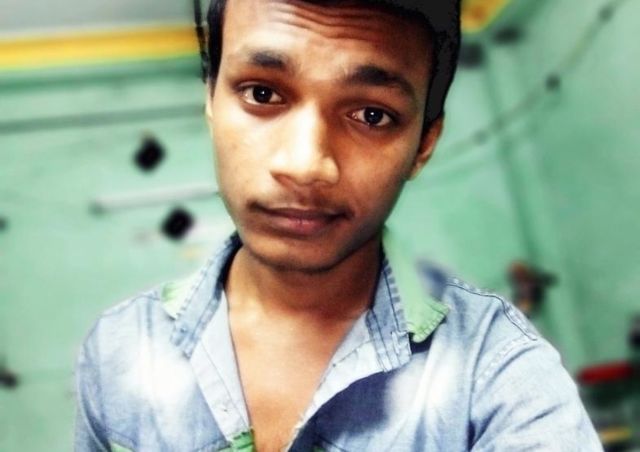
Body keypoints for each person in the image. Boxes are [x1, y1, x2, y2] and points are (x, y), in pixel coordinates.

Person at [75, 0, 602, 450]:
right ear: (211, 98)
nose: (306, 165)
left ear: (424, 145)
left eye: (372, 115)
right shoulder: (119, 349)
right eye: (262, 93)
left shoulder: (498, 371)